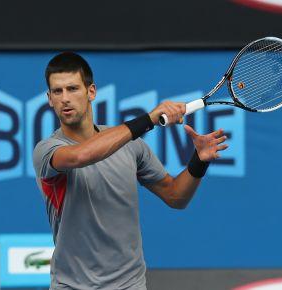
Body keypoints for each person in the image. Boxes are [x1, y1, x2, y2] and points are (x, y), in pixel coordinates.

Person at [32, 52, 228, 290]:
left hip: (129, 285)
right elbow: (80, 156)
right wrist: (149, 119)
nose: (65, 98)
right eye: (57, 91)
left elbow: (175, 196)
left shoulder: (130, 146)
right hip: (72, 285)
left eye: (72, 89)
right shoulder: (47, 150)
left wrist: (199, 160)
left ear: (91, 92)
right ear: (49, 99)